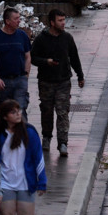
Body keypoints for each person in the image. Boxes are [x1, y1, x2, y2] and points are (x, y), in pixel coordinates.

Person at [29, 8, 84, 157]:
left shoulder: (67, 38)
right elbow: (32, 58)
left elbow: (74, 57)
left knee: (62, 112)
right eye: (60, 20)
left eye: (64, 20)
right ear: (52, 22)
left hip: (63, 81)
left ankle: (63, 143)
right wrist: (46, 61)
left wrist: (80, 75)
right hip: (46, 82)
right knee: (46, 111)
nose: (63, 23)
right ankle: (46, 137)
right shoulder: (41, 39)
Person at [0, 101, 45, 215]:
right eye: (13, 112)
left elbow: (38, 157)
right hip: (4, 184)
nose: (18, 114)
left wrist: (42, 181)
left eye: (18, 110)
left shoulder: (29, 132)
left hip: (25, 183)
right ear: (4, 117)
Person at [0, 9, 31, 119]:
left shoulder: (22, 36)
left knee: (20, 109)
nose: (19, 21)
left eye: (19, 18)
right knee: (6, 112)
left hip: (20, 79)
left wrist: (26, 76)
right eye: (16, 19)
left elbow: (28, 56)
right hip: (3, 81)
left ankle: (22, 134)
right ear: (7, 21)